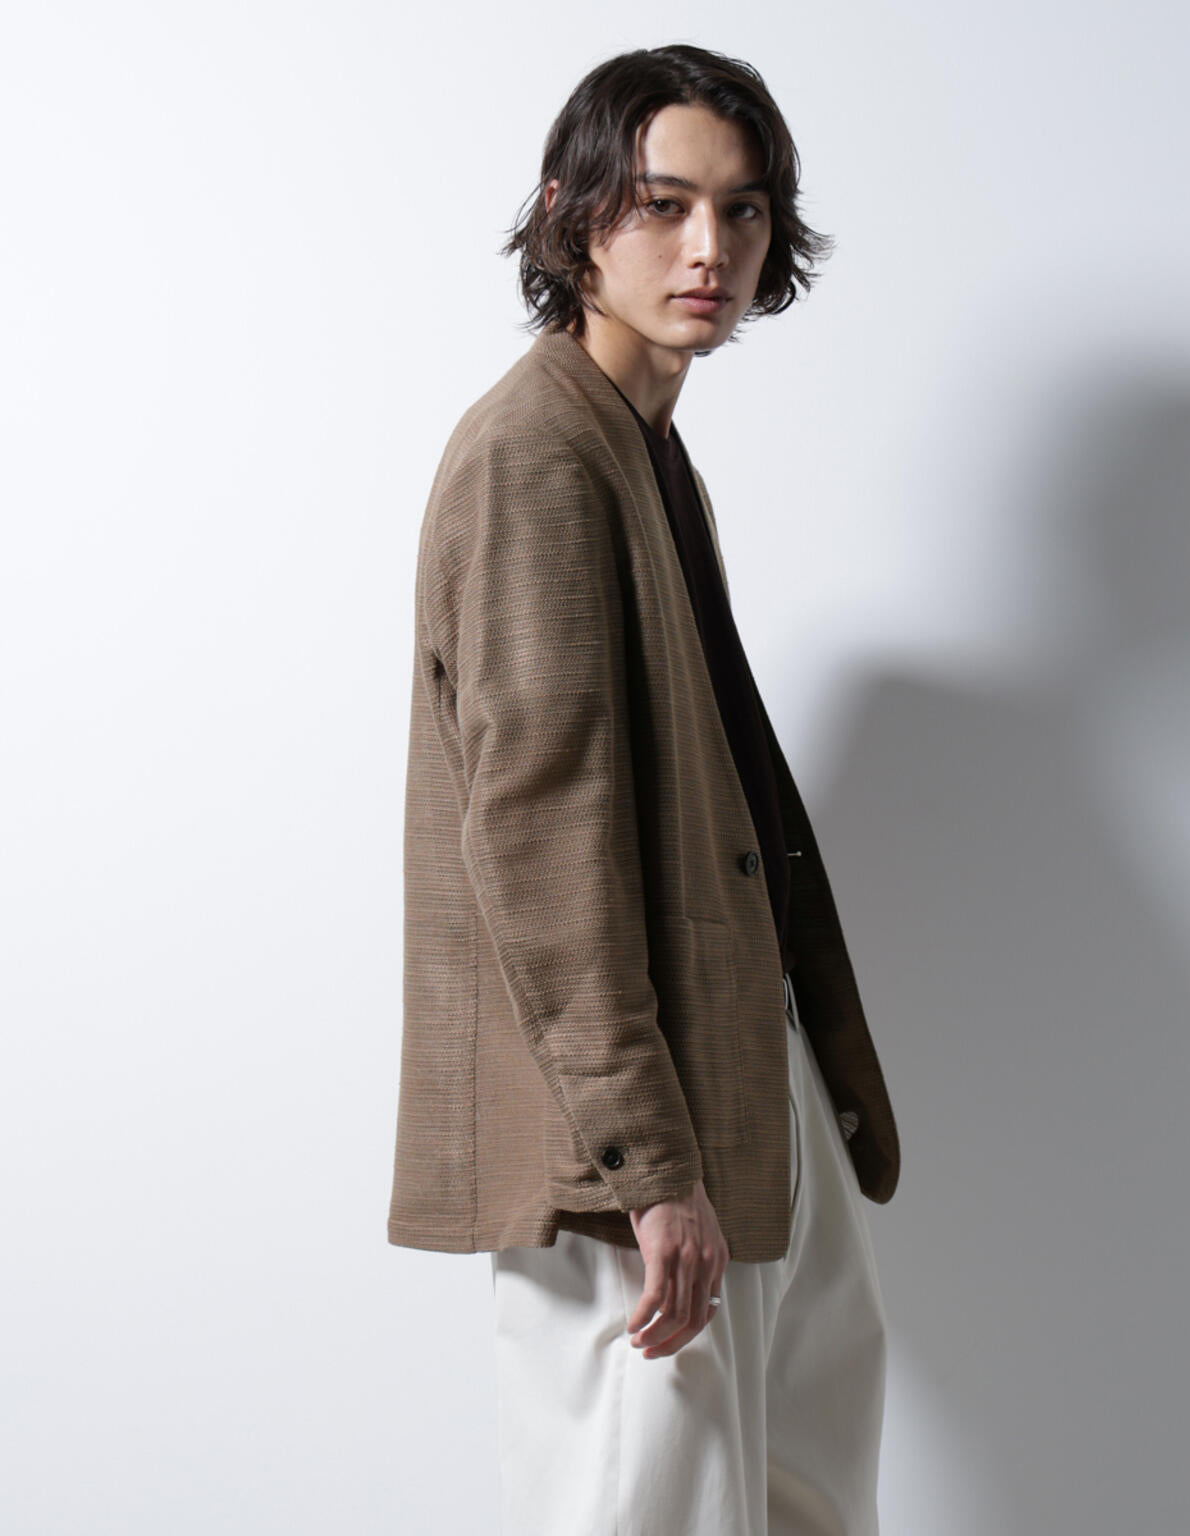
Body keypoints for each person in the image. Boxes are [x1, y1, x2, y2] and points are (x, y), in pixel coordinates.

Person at [387, 42, 901, 1535]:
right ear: (573, 212)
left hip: (736, 1065)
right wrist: (645, 1165)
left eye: (741, 210)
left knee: (800, 1475)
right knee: (648, 1502)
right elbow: (538, 836)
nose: (708, 249)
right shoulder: (538, 458)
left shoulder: (647, 453)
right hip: (624, 1119)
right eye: (664, 204)